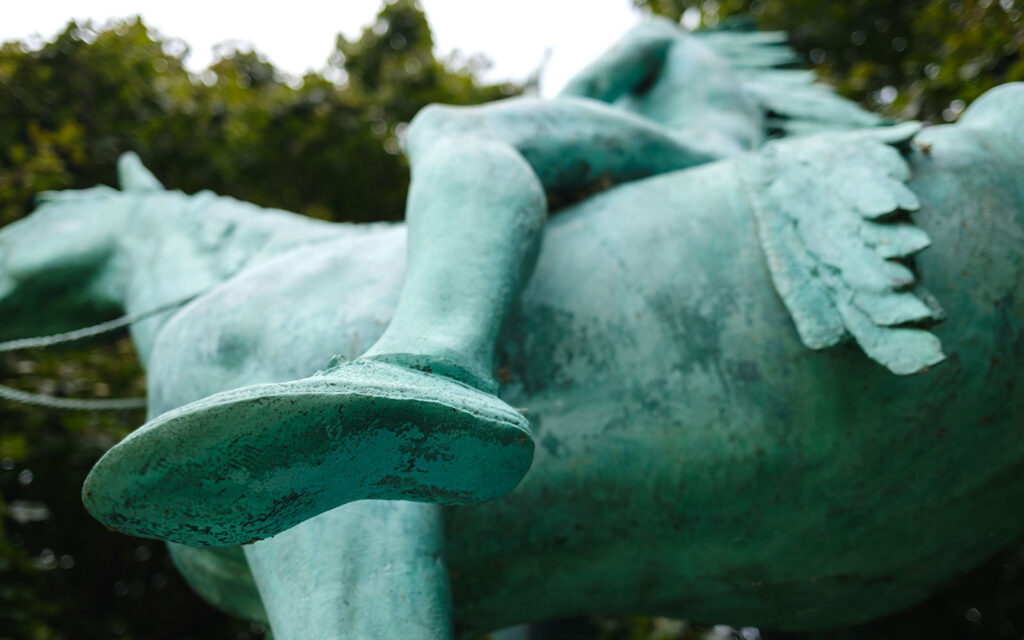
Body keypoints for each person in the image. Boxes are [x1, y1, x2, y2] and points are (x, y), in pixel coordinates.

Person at [84, 18, 769, 546]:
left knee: (452, 128)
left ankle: (434, 363)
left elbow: (580, 96)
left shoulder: (666, 39)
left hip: (708, 156)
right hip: (677, 165)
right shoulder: (705, 80)